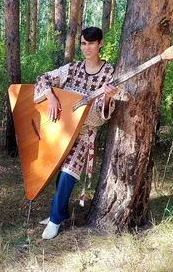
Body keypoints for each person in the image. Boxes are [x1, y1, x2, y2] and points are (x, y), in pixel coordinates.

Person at [34, 27, 119, 240]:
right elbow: (43, 78)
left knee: (68, 174)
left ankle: (54, 220)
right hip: (61, 129)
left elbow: (102, 114)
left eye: (91, 43)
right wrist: (51, 97)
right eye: (83, 43)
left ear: (100, 44)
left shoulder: (109, 73)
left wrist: (108, 98)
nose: (86, 47)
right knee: (57, 169)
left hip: (84, 133)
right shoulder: (73, 68)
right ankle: (59, 213)